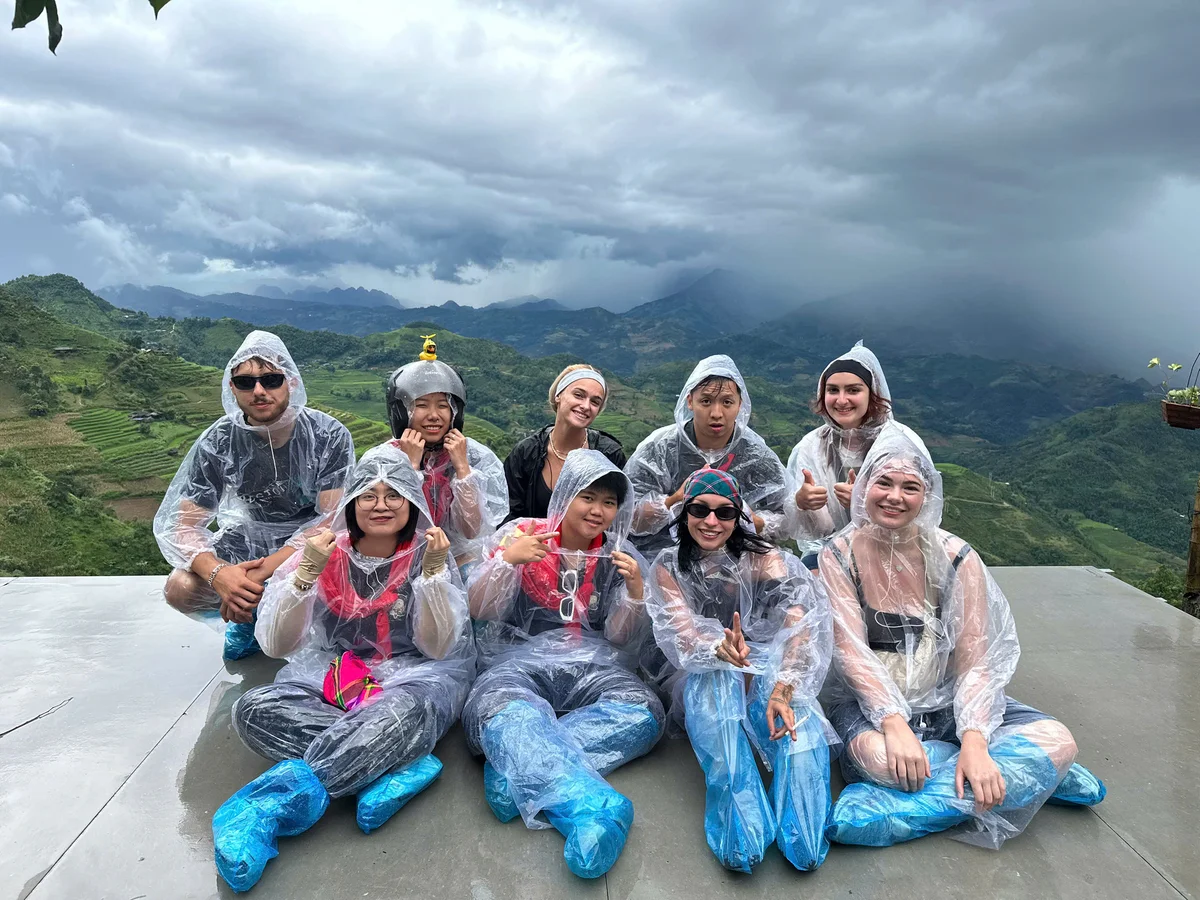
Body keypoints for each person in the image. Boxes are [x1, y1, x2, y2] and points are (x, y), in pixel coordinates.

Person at [821, 428, 1106, 849]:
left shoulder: (955, 557)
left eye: (910, 487)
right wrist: (895, 725)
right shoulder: (838, 556)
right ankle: (1026, 777)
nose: (894, 496)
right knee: (882, 761)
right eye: (883, 482)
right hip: (871, 707)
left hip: (947, 698)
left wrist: (974, 740)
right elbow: (851, 652)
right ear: (864, 486)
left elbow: (976, 656)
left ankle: (912, 809)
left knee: (1060, 739)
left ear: (927, 497)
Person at [212, 443, 474, 892]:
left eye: (394, 494)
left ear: (412, 503)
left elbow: (437, 648)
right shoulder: (322, 551)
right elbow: (278, 644)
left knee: (402, 714)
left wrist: (432, 579)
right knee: (253, 709)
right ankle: (393, 761)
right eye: (367, 494)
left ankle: (269, 809)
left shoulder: (426, 554)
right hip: (336, 675)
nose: (381, 505)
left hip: (411, 678)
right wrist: (304, 574)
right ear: (350, 502)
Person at [462, 450, 665, 880]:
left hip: (591, 665)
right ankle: (595, 810)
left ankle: (513, 771)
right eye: (588, 497)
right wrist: (507, 562)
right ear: (566, 494)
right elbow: (478, 608)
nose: (598, 511)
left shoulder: (618, 554)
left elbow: (619, 640)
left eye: (609, 502)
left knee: (645, 713)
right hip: (518, 661)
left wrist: (633, 590)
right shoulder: (519, 535)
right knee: (494, 707)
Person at [647, 468, 837, 874]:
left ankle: (803, 828)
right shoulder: (669, 565)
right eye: (699, 509)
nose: (711, 522)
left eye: (724, 512)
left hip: (766, 667)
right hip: (700, 673)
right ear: (684, 513)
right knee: (715, 684)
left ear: (738, 517)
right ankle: (741, 815)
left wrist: (783, 688)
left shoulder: (765, 560)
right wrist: (717, 649)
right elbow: (681, 636)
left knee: (794, 713)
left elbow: (799, 622)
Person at [154, 330, 354, 660]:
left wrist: (266, 571)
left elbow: (332, 522)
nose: (259, 391)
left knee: (337, 570)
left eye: (271, 379)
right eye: (246, 383)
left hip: (311, 548)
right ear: (231, 387)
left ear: (291, 382)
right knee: (180, 588)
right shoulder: (219, 441)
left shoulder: (327, 435)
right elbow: (183, 527)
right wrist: (220, 576)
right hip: (250, 539)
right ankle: (251, 620)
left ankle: (299, 628)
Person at [625, 355, 788, 557]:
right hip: (661, 558)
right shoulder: (659, 448)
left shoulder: (757, 455)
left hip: (737, 561)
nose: (716, 413)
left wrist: (750, 520)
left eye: (727, 402)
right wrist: (676, 499)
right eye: (706, 401)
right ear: (690, 402)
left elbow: (784, 518)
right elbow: (626, 517)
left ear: (740, 405)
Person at [784, 341, 927, 567]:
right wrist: (803, 503)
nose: (841, 400)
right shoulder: (812, 446)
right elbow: (819, 532)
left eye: (853, 390)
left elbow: (922, 513)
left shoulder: (900, 443)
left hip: (895, 552)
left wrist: (865, 505)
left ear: (873, 394)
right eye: (833, 390)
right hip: (828, 555)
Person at [386, 353, 508, 574]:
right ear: (402, 412)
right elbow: (389, 526)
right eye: (421, 405)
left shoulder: (475, 457)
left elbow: (471, 531)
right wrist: (410, 468)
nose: (434, 415)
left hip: (459, 558)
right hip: (397, 557)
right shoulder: (384, 458)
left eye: (443, 405)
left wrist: (462, 469)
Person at [503, 363, 626, 521]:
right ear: (558, 396)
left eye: (595, 402)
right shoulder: (526, 453)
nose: (585, 406)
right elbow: (508, 515)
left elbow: (620, 517)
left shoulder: (609, 455)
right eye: (578, 395)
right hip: (532, 543)